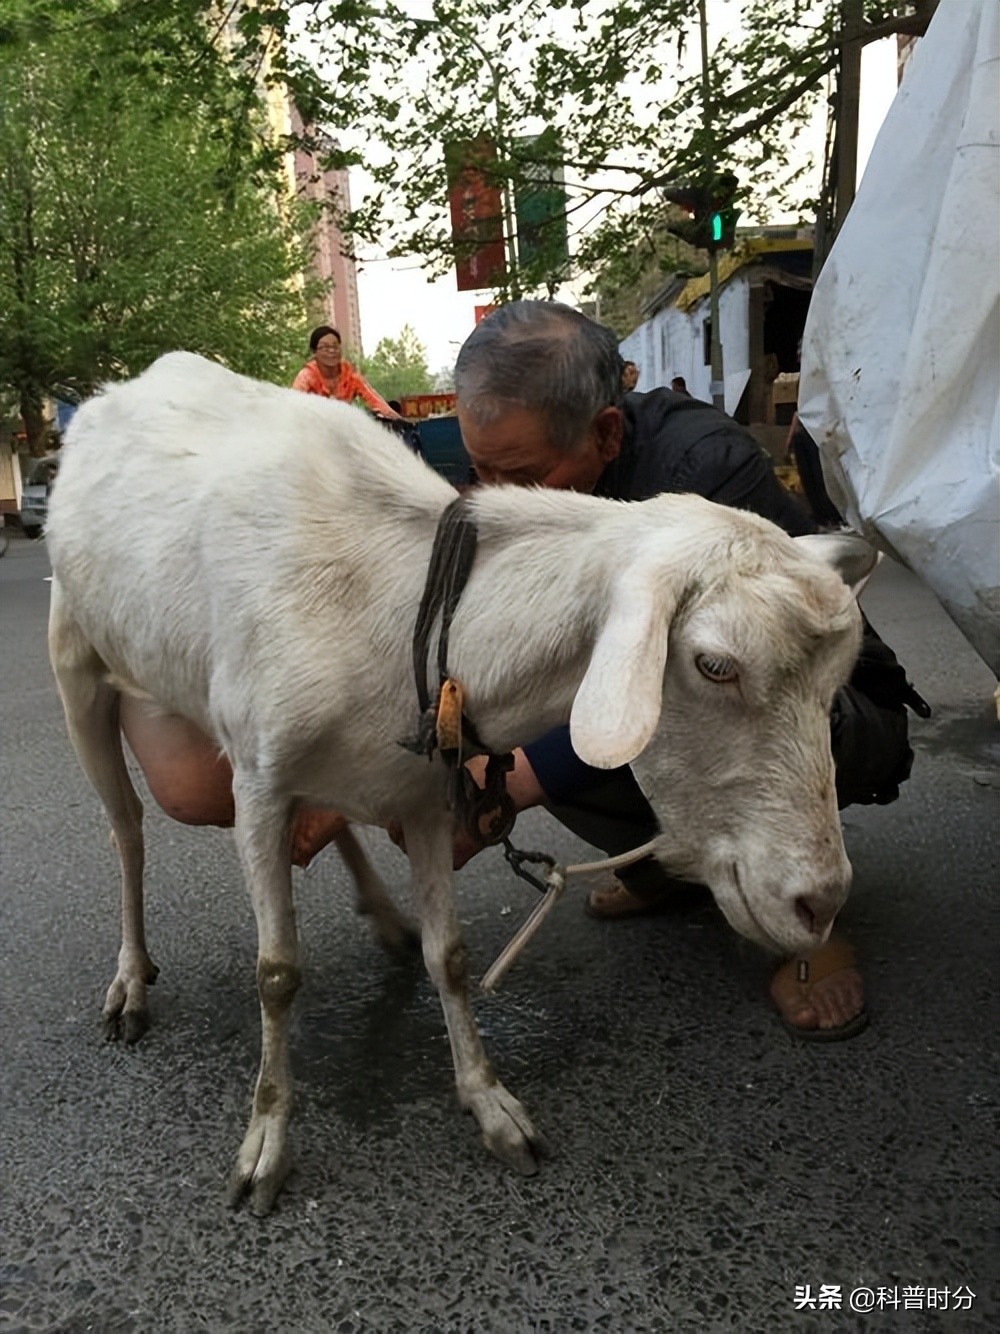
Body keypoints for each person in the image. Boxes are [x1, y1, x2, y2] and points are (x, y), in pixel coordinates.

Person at [449, 300, 923, 1040]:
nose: (496, 500)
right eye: (478, 471)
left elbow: (759, 678)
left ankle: (810, 922)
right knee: (532, 719)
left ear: (606, 432)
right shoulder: (525, 502)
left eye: (521, 474)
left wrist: (512, 784)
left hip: (826, 710)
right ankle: (671, 868)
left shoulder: (706, 469)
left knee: (604, 736)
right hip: (690, 700)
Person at [293, 325, 402, 419]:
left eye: (335, 347)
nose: (332, 351)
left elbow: (376, 402)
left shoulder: (352, 377)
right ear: (314, 352)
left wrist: (399, 421)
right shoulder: (306, 376)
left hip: (343, 429)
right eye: (325, 347)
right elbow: (293, 407)